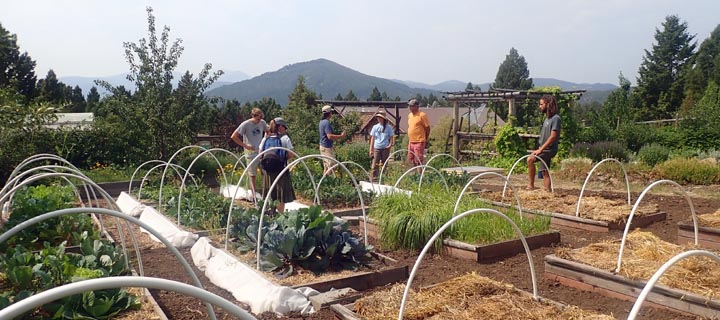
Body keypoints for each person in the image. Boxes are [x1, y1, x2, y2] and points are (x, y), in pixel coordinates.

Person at [259, 118, 295, 214]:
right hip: (280, 170)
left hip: (268, 171)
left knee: (270, 193)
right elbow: (291, 154)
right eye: (284, 127)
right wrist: (282, 158)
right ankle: (280, 216)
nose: (284, 129)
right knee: (280, 195)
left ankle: (271, 214)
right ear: (280, 126)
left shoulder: (266, 138)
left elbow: (260, 153)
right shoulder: (285, 139)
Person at [231, 108, 267, 197]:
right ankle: (253, 196)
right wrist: (245, 146)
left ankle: (264, 194)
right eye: (257, 118)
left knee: (264, 173)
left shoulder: (262, 122)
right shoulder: (246, 124)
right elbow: (234, 136)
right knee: (252, 175)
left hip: (261, 152)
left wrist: (265, 141)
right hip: (250, 153)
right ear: (253, 116)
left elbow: (268, 131)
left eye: (260, 118)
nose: (259, 120)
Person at [527, 95, 561, 191]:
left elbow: (553, 137)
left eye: (541, 104)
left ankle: (531, 186)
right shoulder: (547, 118)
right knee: (545, 170)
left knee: (530, 159)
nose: (540, 106)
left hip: (549, 149)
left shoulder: (556, 119)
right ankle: (547, 190)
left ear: (548, 104)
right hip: (544, 148)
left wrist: (540, 149)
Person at [318, 105, 346, 174]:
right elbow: (329, 136)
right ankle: (330, 182)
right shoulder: (326, 123)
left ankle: (325, 182)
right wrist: (341, 136)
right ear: (330, 113)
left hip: (324, 146)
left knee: (326, 166)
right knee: (331, 166)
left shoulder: (321, 122)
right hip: (326, 147)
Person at [368, 111, 395, 182]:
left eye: (380, 118)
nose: (379, 119)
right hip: (377, 147)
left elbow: (392, 136)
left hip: (385, 148)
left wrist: (390, 145)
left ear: (383, 119)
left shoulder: (388, 127)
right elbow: (372, 138)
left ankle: (384, 178)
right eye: (378, 117)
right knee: (375, 164)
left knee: (384, 164)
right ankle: (374, 179)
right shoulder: (375, 127)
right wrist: (371, 150)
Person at [406, 99, 430, 172]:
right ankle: (412, 175)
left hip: (419, 141)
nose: (410, 108)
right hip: (411, 141)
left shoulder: (422, 115)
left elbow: (427, 127)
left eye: (412, 106)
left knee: (418, 160)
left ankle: (419, 176)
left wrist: (425, 137)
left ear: (417, 106)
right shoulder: (410, 115)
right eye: (409, 106)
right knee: (410, 159)